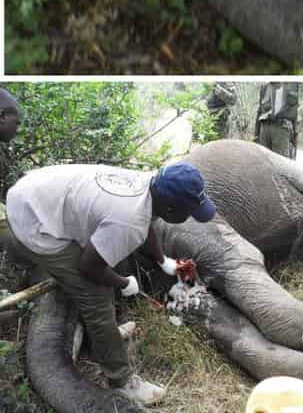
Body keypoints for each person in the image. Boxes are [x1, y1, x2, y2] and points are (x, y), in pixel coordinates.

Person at [5, 161, 216, 406]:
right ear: (170, 208)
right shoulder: (128, 220)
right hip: (32, 219)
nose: (190, 216)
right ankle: (122, 381)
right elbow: (90, 267)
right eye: (188, 211)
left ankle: (104, 338)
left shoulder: (150, 184)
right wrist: (123, 283)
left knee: (107, 259)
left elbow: (145, 223)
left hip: (39, 192)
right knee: (95, 293)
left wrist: (163, 261)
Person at [255, 83, 298, 159]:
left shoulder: (290, 85)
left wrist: (295, 134)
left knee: (282, 163)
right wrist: (256, 134)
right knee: (264, 161)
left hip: (281, 127)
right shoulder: (265, 86)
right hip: (264, 127)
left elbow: (295, 111)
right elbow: (260, 110)